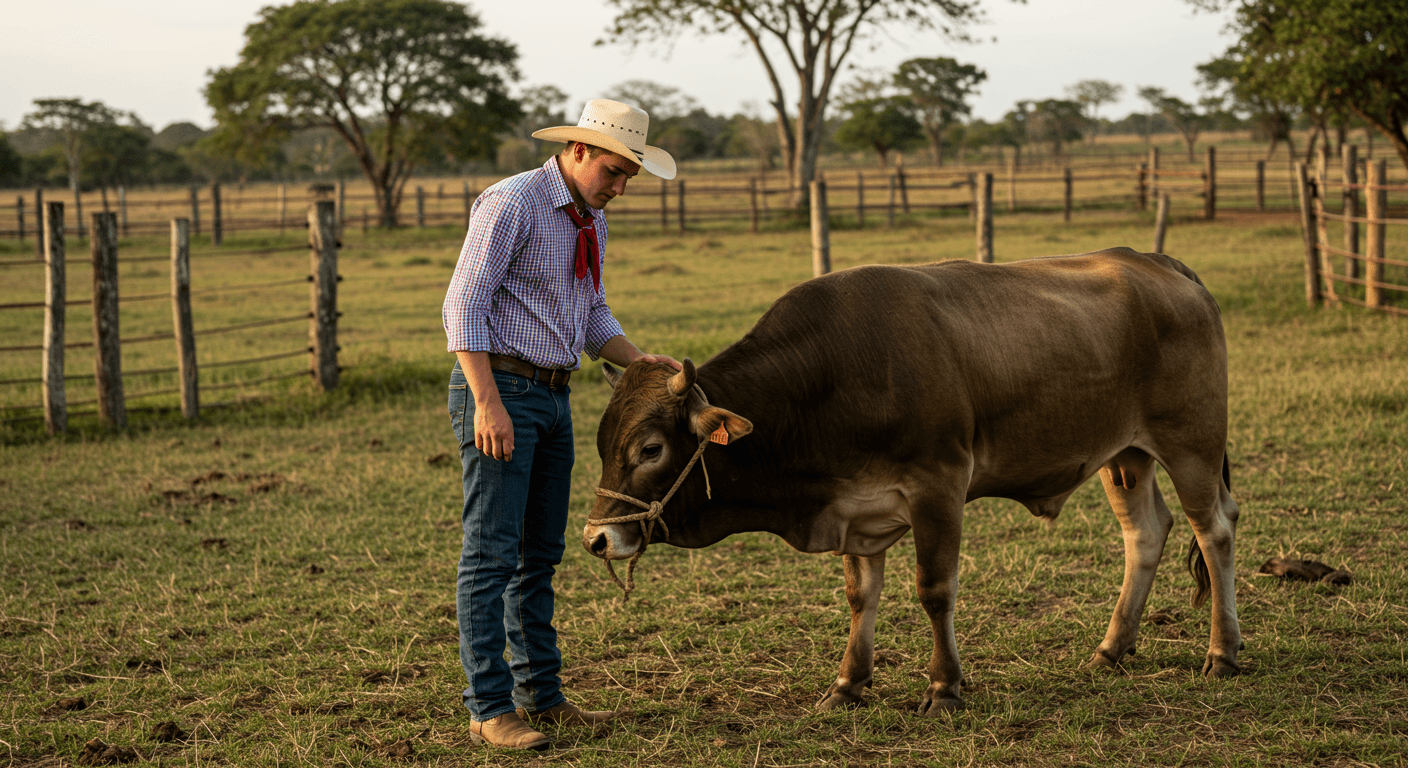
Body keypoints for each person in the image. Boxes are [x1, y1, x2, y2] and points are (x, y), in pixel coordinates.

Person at [442, 99, 681, 751]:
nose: (620, 187)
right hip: (501, 389)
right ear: (577, 151)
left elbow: (591, 310)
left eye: (629, 176)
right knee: (491, 552)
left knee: (540, 553)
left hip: (553, 395)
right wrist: (486, 400)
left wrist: (638, 360)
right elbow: (463, 304)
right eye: (612, 171)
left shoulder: (589, 220)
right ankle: (490, 708)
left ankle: (542, 696)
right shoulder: (512, 203)